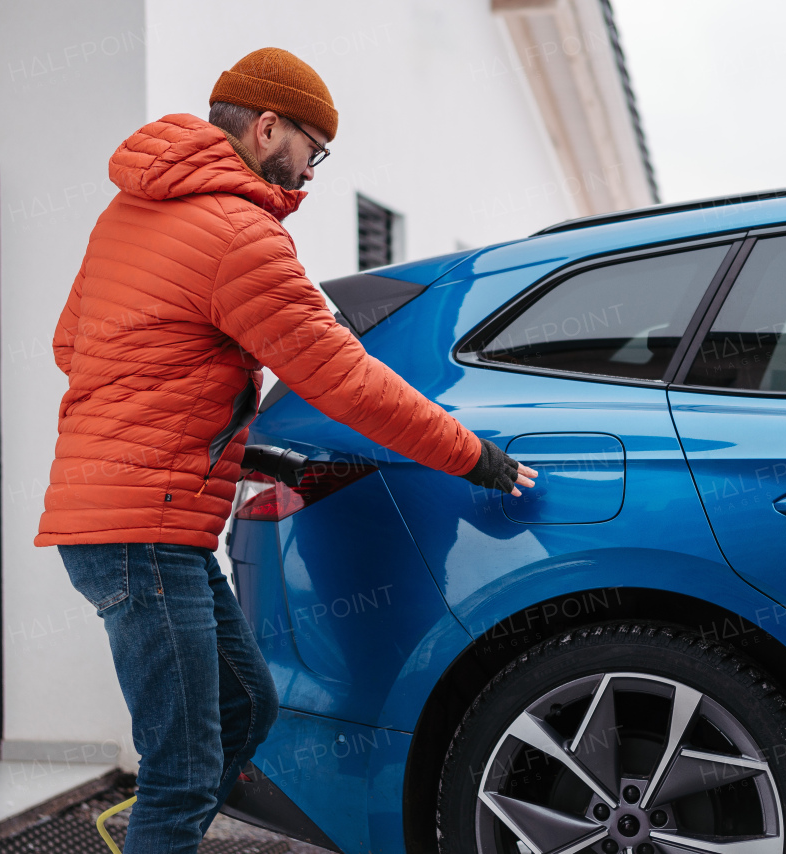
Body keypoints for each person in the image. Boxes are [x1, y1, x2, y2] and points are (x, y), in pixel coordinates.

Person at [33, 47, 536, 854]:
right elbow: (345, 381)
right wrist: (477, 457)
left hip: (134, 522)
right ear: (268, 127)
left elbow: (71, 345)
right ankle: (159, 830)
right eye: (313, 146)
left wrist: (192, 403)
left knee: (244, 709)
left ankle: (153, 834)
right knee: (187, 765)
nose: (313, 168)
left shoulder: (126, 212)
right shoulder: (239, 233)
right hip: (145, 525)